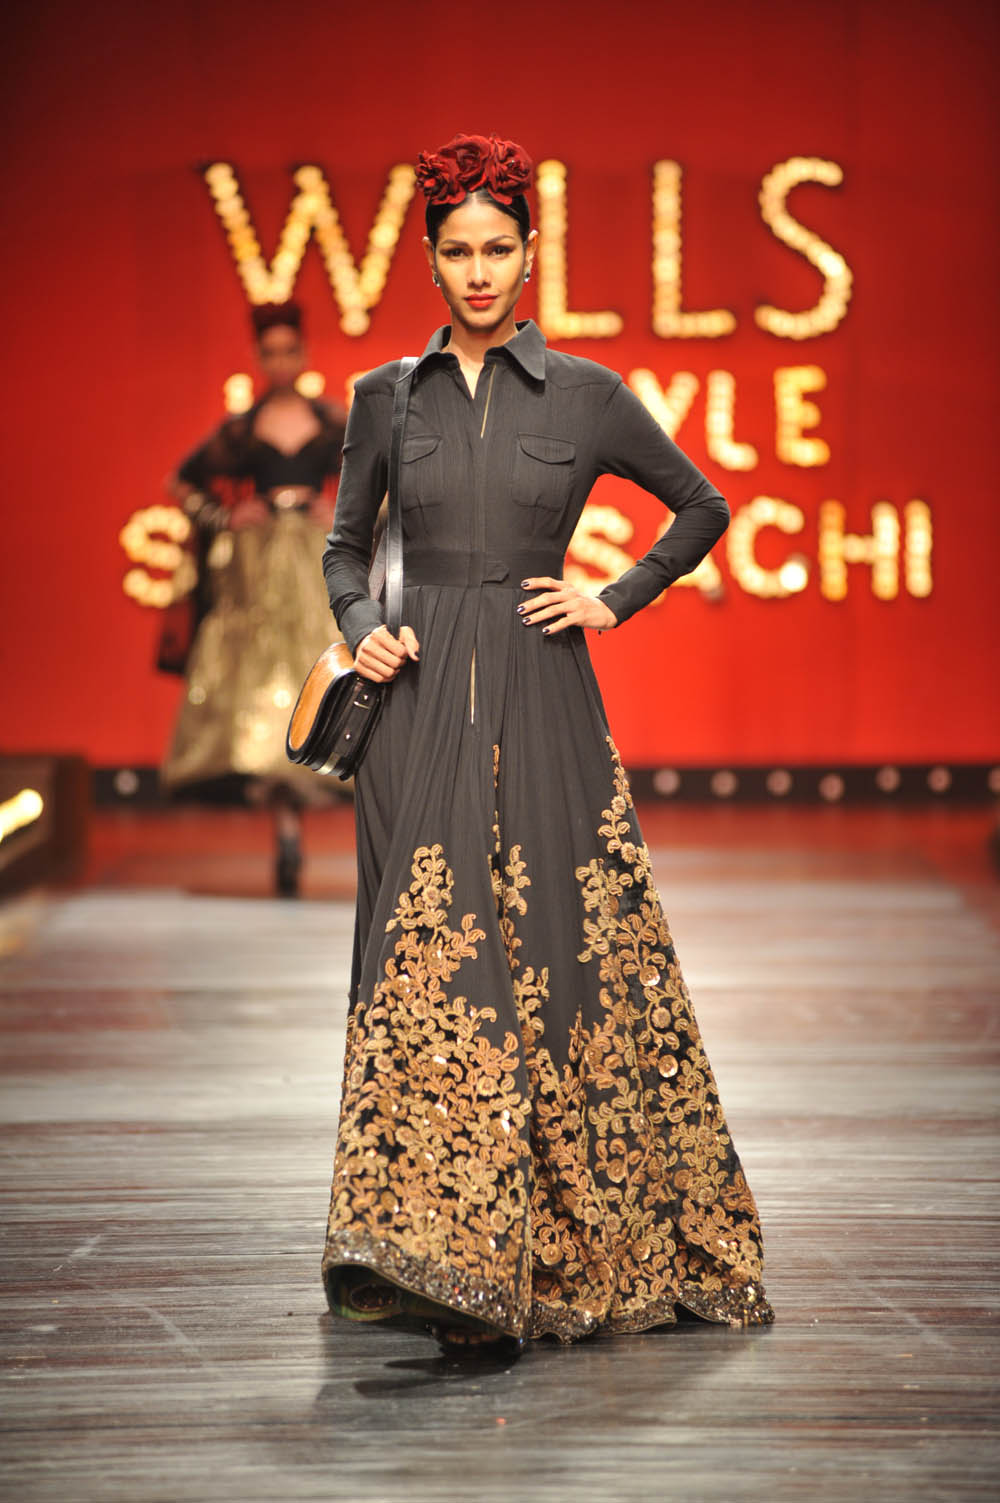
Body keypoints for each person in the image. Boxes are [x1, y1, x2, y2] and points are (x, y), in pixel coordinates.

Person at [320, 133, 774, 1355]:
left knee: (561, 956)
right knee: (426, 960)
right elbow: (344, 547)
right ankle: (430, 1256)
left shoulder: (585, 393)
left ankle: (557, 1245)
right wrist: (362, 629)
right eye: (455, 251)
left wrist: (611, 598)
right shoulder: (383, 396)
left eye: (497, 249)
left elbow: (703, 505)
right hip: (415, 705)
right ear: (428, 260)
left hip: (542, 693)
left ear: (530, 254)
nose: (477, 271)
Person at [161, 302, 347, 896]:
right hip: (258, 569)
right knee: (263, 682)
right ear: (259, 358)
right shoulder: (241, 429)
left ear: (305, 354)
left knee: (317, 666)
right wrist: (224, 517)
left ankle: (304, 804)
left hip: (316, 563)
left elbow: (390, 479)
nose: (281, 362)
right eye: (271, 353)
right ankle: (286, 824)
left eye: (290, 351)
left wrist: (344, 514)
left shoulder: (334, 422)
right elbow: (181, 482)